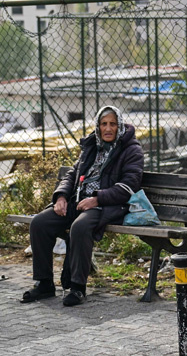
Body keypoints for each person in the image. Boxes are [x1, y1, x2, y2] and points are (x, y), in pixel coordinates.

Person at [22, 105, 143, 306]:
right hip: (78, 201)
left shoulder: (131, 150)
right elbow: (73, 174)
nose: (108, 128)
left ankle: (77, 287)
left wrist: (98, 198)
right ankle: (44, 284)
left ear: (120, 125)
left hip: (108, 206)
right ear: (97, 126)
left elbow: (129, 186)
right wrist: (60, 197)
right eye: (104, 124)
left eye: (113, 124)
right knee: (39, 223)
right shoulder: (92, 146)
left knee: (79, 227)